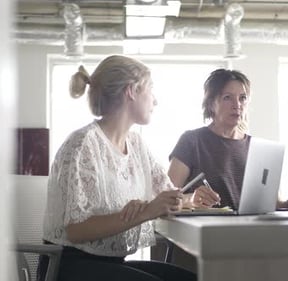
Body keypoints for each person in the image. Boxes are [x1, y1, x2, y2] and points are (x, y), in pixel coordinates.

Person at [38, 55, 196, 281]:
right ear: (131, 91)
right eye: (150, 89)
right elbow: (76, 231)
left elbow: (165, 194)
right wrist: (146, 211)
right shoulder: (83, 144)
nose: (156, 100)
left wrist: (188, 199)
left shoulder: (136, 144)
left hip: (111, 264)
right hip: (69, 267)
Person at [168, 68, 288, 210]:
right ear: (211, 103)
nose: (237, 105)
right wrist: (190, 200)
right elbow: (165, 198)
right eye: (227, 97)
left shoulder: (259, 149)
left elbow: (273, 204)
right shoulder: (191, 141)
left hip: (250, 230)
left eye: (242, 98)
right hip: (207, 230)